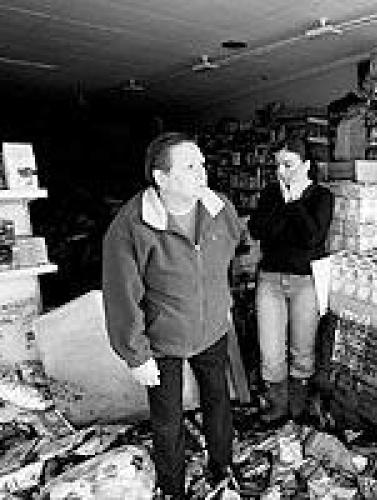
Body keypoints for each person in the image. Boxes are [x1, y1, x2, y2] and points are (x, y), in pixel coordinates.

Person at [102, 132, 241, 498]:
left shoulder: (218, 208)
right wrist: (136, 354)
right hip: (162, 340)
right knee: (168, 421)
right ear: (161, 178)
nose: (202, 173)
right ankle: (173, 488)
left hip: (211, 330)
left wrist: (222, 302)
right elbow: (120, 294)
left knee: (218, 404)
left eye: (202, 164)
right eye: (190, 166)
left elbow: (231, 250)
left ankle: (222, 468)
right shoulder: (131, 226)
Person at [248, 141, 333, 424]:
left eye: (288, 165)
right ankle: (277, 404)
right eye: (278, 165)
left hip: (305, 282)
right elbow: (259, 230)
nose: (281, 171)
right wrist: (284, 208)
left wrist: (295, 205)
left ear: (306, 165)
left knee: (303, 349)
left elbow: (312, 237)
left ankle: (299, 405)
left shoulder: (322, 196)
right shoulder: (271, 193)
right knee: (270, 350)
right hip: (270, 280)